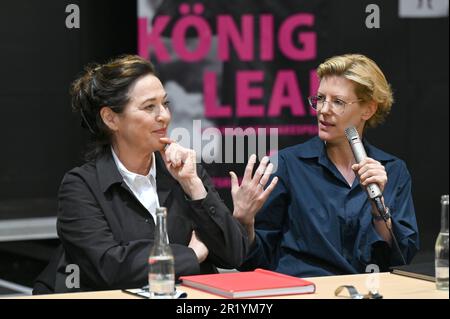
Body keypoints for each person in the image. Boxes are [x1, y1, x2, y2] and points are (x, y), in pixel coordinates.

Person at [33, 55, 276, 293]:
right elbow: (109, 267)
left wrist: (194, 187)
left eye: (165, 104)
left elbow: (234, 254)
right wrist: (191, 255)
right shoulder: (81, 186)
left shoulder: (185, 172)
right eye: (150, 107)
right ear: (111, 119)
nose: (165, 116)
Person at [236, 54, 419, 277]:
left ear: (368, 109)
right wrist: (244, 222)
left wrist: (378, 210)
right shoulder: (287, 165)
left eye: (338, 102)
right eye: (320, 98)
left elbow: (402, 258)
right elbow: (254, 262)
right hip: (304, 291)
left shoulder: (392, 170)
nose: (323, 110)